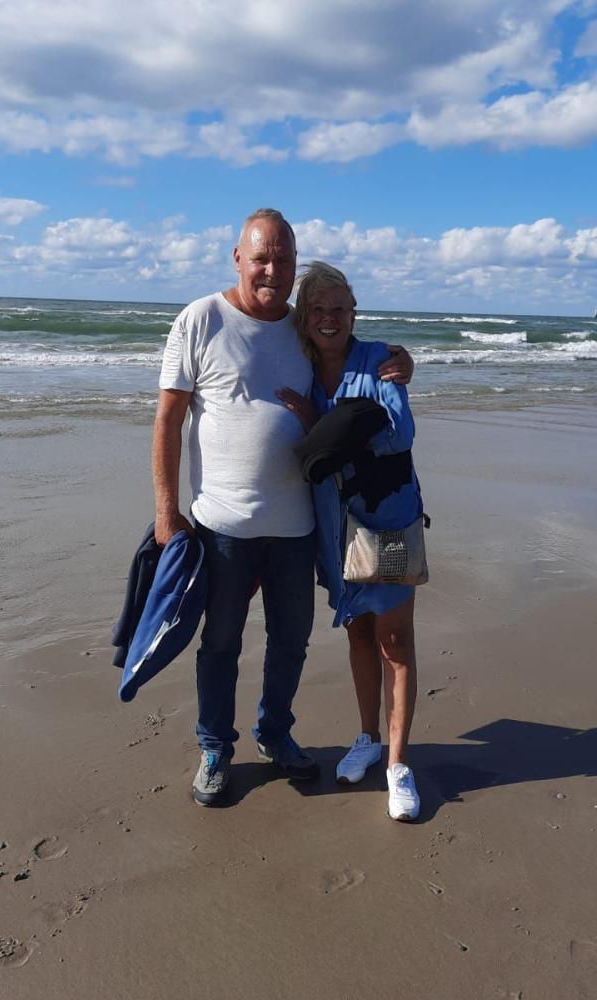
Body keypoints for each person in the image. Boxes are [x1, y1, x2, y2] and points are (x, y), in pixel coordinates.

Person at [153, 209, 413, 807]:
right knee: (223, 641)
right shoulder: (203, 319)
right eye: (261, 258)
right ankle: (216, 748)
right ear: (238, 258)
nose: (272, 269)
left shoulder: (317, 335)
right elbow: (168, 419)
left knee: (303, 641)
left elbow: (364, 373)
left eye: (284, 260)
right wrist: (167, 512)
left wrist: (400, 361)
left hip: (320, 528)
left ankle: (283, 735)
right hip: (225, 526)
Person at [278, 262, 424, 822]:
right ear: (304, 317)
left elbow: (400, 433)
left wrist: (325, 431)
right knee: (359, 634)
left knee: (395, 641)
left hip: (388, 522)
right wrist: (326, 427)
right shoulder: (300, 366)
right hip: (335, 529)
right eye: (317, 309)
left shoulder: (381, 359)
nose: (329, 318)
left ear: (353, 313)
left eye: (338, 308)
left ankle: (399, 765)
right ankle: (367, 738)